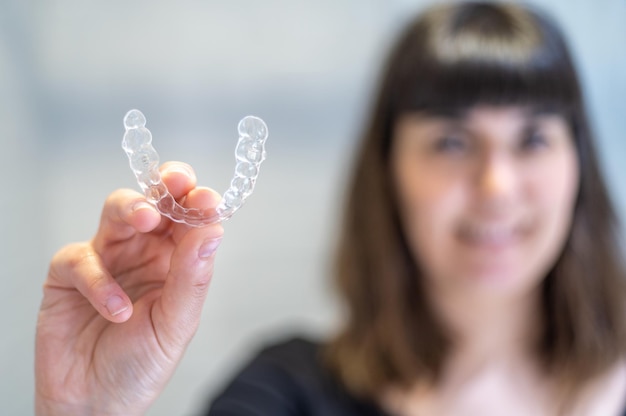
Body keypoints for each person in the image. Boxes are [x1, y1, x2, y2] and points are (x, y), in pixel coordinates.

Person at [35, 2, 626, 415]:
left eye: (534, 139)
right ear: (387, 170)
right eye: (451, 141)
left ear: (580, 165)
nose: (496, 185)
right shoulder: (282, 393)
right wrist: (86, 411)